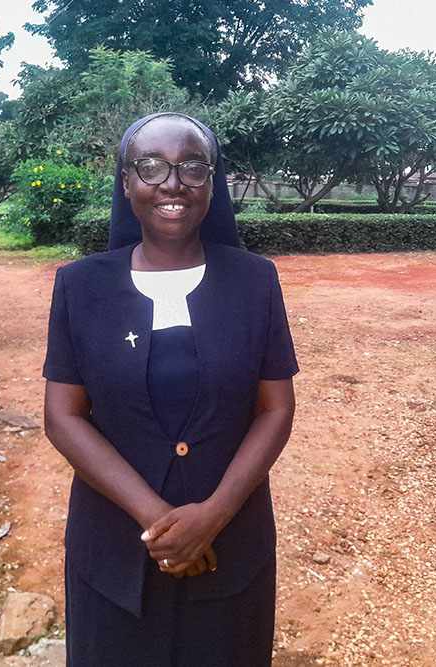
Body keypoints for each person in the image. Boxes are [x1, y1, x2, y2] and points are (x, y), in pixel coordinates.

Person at [43, 112, 299, 666]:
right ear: (127, 180)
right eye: (152, 166)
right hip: (114, 548)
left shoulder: (256, 281)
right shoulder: (80, 285)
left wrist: (213, 514)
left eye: (192, 167)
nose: (173, 183)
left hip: (231, 545)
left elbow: (275, 409)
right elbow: (63, 416)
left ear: (214, 181)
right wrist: (159, 518)